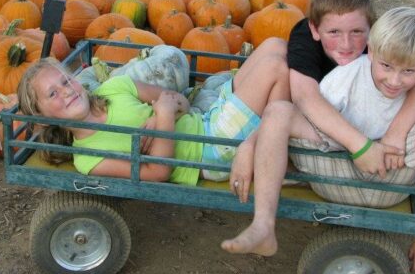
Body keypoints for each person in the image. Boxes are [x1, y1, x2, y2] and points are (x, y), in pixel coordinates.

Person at [224, 7, 415, 273]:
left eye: (409, 71)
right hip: (335, 172)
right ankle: (263, 225)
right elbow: (300, 115)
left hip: (393, 177)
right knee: (279, 111)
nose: (395, 80)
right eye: (386, 66)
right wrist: (251, 143)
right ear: (371, 51)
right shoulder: (348, 77)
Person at [16, 33, 291, 185]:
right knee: (274, 68)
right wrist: (163, 116)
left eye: (66, 79)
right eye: (53, 93)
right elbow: (158, 172)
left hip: (208, 118)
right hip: (210, 150)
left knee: (274, 44)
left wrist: (165, 114)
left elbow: (181, 101)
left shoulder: (115, 87)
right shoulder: (88, 158)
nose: (66, 90)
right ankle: (270, 148)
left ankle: (272, 137)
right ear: (42, 117)